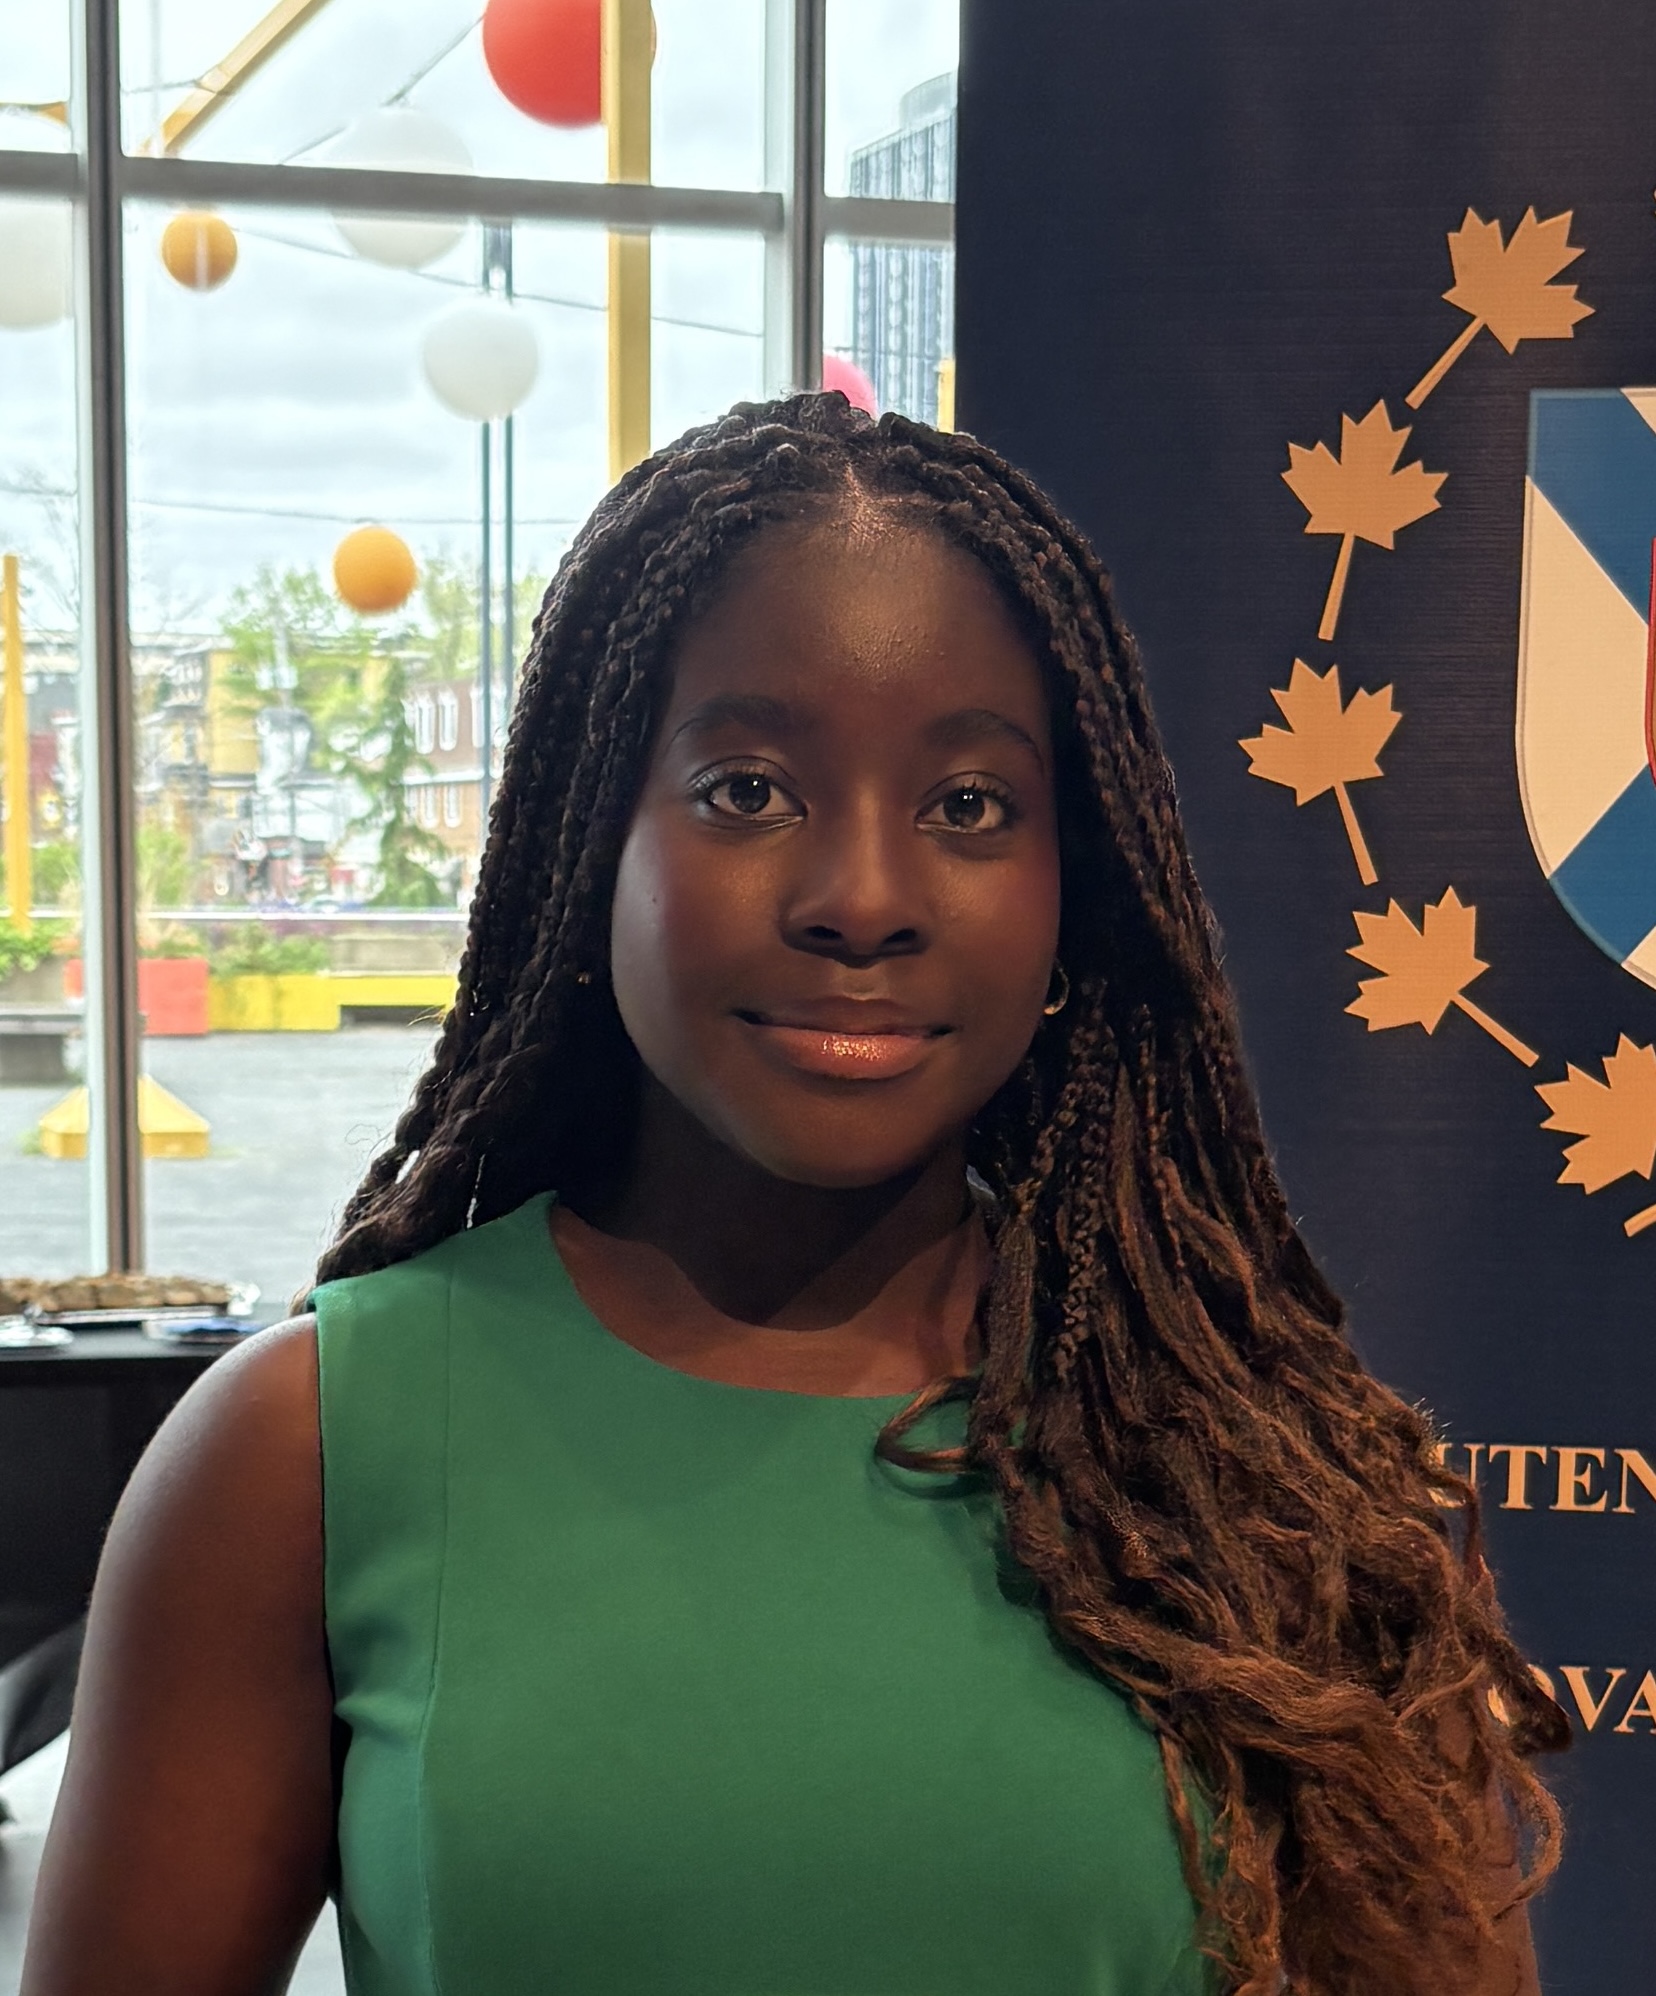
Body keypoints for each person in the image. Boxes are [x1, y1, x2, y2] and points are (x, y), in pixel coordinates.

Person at [22, 394, 1566, 1996]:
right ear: (590, 847)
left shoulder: (1265, 1470)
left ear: (1074, 896)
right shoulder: (310, 1451)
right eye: (748, 790)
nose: (863, 899)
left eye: (970, 805)